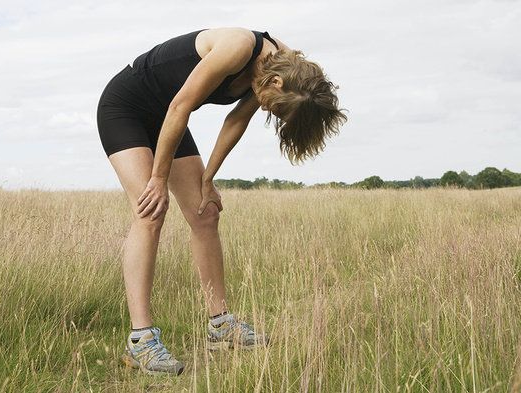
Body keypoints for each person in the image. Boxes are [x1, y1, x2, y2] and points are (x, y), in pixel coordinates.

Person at [96, 27, 347, 376]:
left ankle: (221, 325)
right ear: (275, 83)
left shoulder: (291, 73)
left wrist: (208, 178)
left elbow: (236, 119)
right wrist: (157, 178)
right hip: (126, 107)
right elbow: (180, 105)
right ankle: (141, 341)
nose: (270, 113)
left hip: (168, 116)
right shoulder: (237, 47)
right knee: (151, 210)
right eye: (275, 109)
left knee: (205, 212)